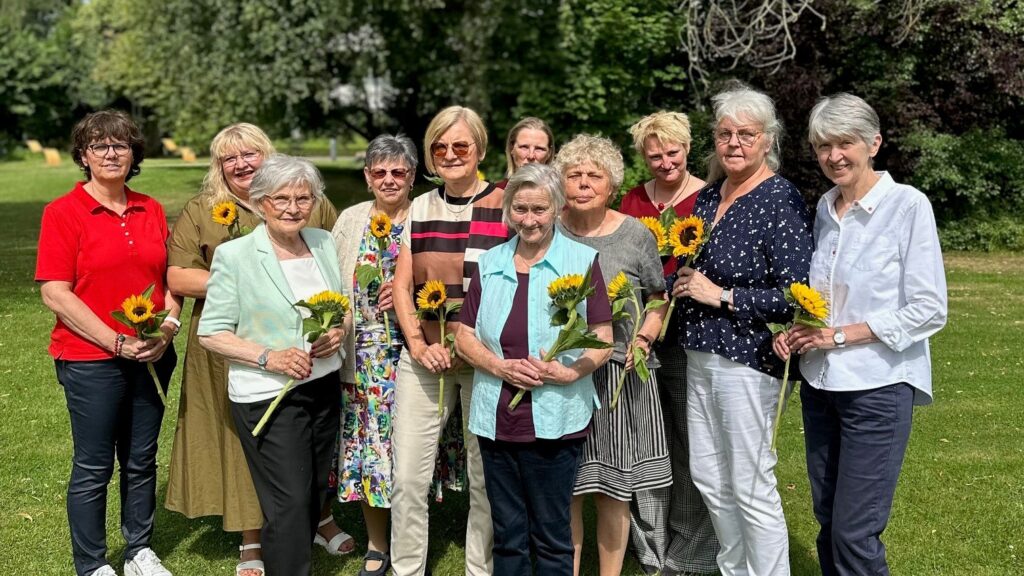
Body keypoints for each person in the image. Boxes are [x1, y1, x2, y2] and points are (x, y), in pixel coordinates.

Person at [773, 93, 947, 576]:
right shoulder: (825, 210)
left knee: (855, 530)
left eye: (844, 142)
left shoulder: (907, 206)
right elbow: (828, 299)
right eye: (823, 145)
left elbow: (929, 309)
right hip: (822, 387)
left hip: (878, 387)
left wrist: (840, 337)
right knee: (829, 520)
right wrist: (801, 331)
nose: (834, 156)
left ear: (874, 143)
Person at [164, 123, 344, 576]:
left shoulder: (322, 242)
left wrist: (338, 331)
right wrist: (270, 357)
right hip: (267, 392)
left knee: (308, 491)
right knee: (286, 504)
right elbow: (212, 332)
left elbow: (341, 303)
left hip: (322, 386)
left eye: (302, 199)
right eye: (280, 200)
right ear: (262, 204)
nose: (292, 207)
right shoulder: (237, 255)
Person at [671, 84, 813, 576]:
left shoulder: (780, 198)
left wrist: (724, 295)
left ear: (767, 140)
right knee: (710, 477)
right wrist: (684, 280)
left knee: (750, 481)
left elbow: (799, 294)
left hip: (748, 357)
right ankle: (736, 569)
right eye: (726, 133)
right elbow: (697, 265)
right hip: (699, 351)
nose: (734, 143)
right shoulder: (709, 197)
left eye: (746, 134)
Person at [36, 110, 179, 576]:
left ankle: (139, 550)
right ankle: (92, 563)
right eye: (99, 145)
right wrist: (115, 341)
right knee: (94, 465)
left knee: (141, 460)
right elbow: (55, 291)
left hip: (152, 353)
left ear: (134, 153)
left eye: (120, 144)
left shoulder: (151, 208)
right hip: (90, 359)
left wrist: (167, 328)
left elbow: (170, 278)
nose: (111, 152)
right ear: (83, 155)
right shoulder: (63, 212)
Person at [457, 163, 614, 575]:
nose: (530, 220)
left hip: (555, 417)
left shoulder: (581, 262)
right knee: (508, 533)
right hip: (497, 417)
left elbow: (602, 334)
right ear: (509, 211)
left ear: (557, 208)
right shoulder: (490, 263)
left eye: (540, 209)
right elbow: (463, 335)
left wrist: (572, 371)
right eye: (521, 209)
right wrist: (499, 366)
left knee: (551, 532)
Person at [390, 105, 506, 575]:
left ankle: (480, 568)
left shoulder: (505, 203)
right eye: (440, 147)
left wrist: (479, 347)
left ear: (479, 148)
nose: (451, 154)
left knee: (484, 479)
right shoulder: (421, 206)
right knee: (408, 478)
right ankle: (406, 568)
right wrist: (418, 344)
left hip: (485, 362)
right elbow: (402, 284)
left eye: (461, 145)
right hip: (426, 360)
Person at [555, 134, 672, 576]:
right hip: (562, 376)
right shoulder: (548, 230)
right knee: (565, 487)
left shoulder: (634, 234)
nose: (583, 183)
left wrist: (644, 338)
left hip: (620, 377)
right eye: (574, 175)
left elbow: (658, 297)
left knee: (613, 489)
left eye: (594, 175)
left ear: (611, 185)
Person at [620, 111, 718, 575]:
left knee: (687, 442)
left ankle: (691, 548)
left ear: (687, 148)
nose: (665, 162)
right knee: (642, 441)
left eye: (672, 152)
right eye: (654, 155)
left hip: (687, 336)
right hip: (636, 334)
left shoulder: (708, 197)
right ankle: (649, 544)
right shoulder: (632, 200)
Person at [330, 134, 417, 576]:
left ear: (412, 177)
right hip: (361, 356)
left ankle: (412, 538)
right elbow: (330, 278)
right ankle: (378, 543)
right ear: (366, 177)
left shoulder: (424, 218)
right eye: (379, 172)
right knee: (370, 446)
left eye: (398, 172)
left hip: (414, 353)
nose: (388, 179)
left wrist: (409, 294)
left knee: (412, 449)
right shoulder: (350, 219)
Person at [496, 116, 555, 188]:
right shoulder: (496, 194)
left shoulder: (560, 195)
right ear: (511, 148)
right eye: (524, 147)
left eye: (539, 149)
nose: (531, 156)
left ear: (549, 153)